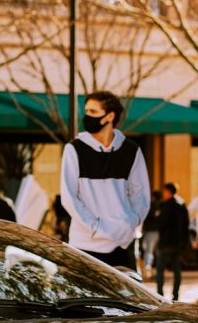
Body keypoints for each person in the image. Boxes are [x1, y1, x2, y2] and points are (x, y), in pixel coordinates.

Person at [59, 90, 150, 269]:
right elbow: (68, 197)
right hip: (85, 245)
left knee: (125, 298)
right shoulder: (74, 149)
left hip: (122, 245)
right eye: (86, 111)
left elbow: (141, 195)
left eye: (93, 112)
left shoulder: (131, 151)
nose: (87, 116)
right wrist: (94, 227)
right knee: (85, 297)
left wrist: (131, 223)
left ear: (110, 116)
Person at [153, 183, 189, 301]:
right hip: (178, 243)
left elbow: (161, 223)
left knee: (160, 269)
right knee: (177, 270)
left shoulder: (165, 205)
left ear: (168, 192)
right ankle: (176, 295)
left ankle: (159, 294)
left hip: (166, 242)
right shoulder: (182, 204)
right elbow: (186, 224)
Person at [140, 190, 161, 276]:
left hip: (151, 231)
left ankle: (148, 268)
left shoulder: (152, 206)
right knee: (152, 250)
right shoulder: (160, 205)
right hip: (155, 231)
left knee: (148, 249)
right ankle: (153, 268)